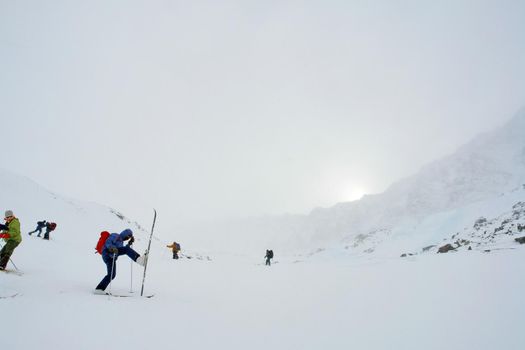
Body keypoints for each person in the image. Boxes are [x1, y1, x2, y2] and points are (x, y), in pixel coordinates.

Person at [94, 229, 146, 294]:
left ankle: (99, 289)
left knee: (112, 274)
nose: (128, 238)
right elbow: (108, 243)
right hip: (107, 253)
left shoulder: (121, 242)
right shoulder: (115, 235)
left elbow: (124, 249)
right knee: (126, 250)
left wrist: (129, 243)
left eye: (129, 237)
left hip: (111, 257)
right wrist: (112, 248)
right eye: (128, 236)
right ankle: (139, 260)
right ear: (125, 234)